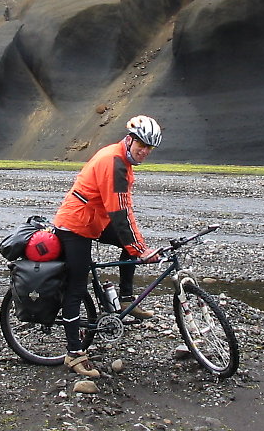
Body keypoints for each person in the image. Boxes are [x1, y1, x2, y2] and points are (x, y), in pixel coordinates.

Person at [53, 115, 163, 378]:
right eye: (142, 145)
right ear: (130, 139)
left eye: (150, 147)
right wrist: (141, 250)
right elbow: (120, 212)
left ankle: (125, 299)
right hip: (75, 225)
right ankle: (74, 354)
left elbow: (124, 210)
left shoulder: (123, 159)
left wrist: (137, 246)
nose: (145, 151)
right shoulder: (114, 162)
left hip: (94, 221)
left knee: (130, 246)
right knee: (76, 289)